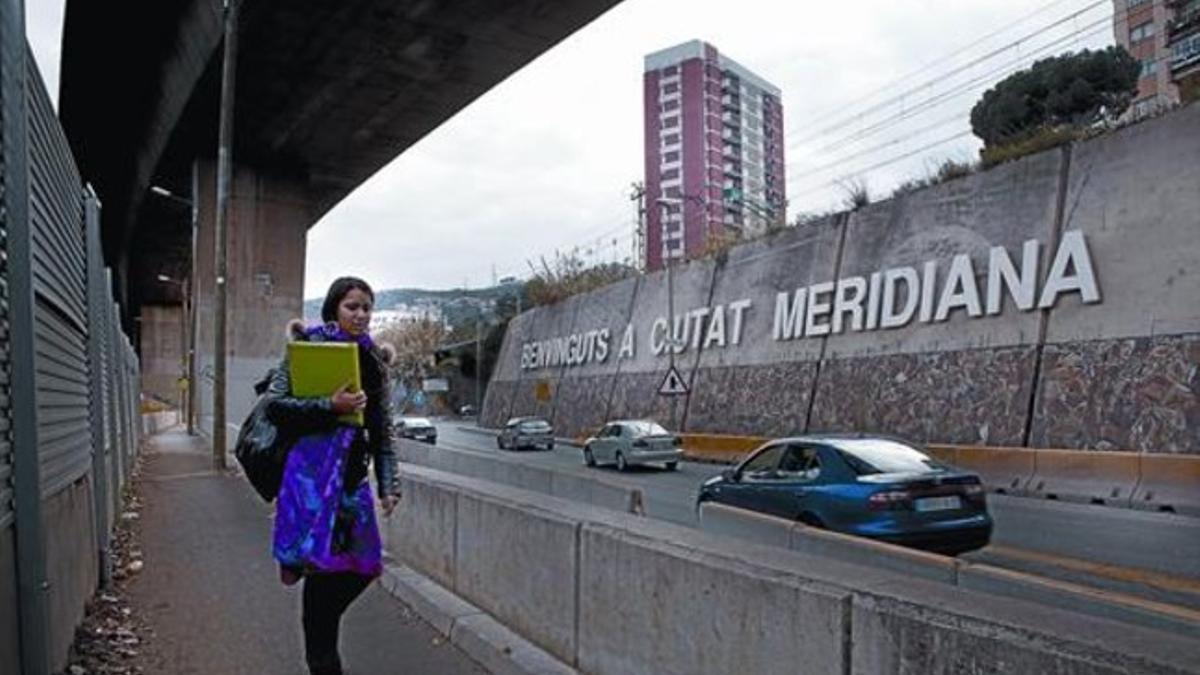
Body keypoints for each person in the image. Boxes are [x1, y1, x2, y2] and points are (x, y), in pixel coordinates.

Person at [265, 276, 400, 675]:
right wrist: (331, 404)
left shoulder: (374, 363)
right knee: (318, 613)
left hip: (351, 491)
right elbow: (275, 405)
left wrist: (389, 485)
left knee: (364, 569)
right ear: (333, 309)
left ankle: (322, 630)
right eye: (352, 306)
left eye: (366, 308)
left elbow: (382, 433)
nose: (360, 315)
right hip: (308, 488)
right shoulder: (306, 349)